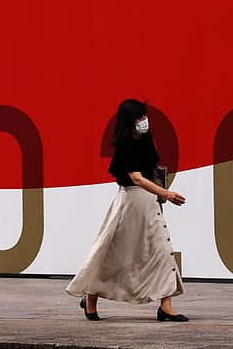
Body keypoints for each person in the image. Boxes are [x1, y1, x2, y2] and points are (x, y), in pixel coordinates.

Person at [66, 98, 189, 322]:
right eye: (139, 117)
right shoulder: (124, 146)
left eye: (144, 116)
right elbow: (136, 178)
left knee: (162, 250)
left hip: (150, 203)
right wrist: (166, 194)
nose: (144, 121)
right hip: (130, 203)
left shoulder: (146, 140)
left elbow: (151, 172)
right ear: (129, 122)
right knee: (115, 256)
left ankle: (166, 305)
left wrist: (160, 198)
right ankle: (90, 298)